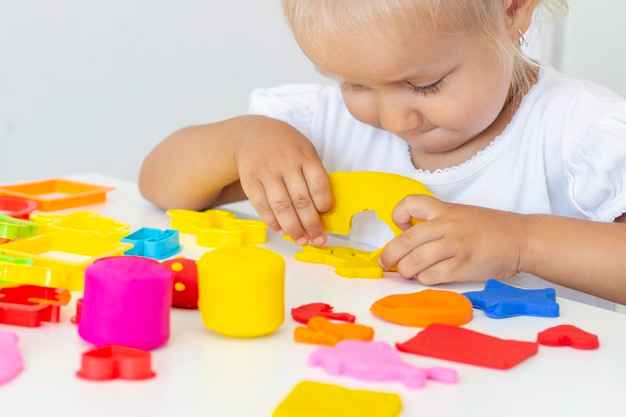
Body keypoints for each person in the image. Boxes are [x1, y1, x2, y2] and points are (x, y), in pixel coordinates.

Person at [139, 0, 626, 307]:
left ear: (512, 10)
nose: (393, 120)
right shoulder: (324, 123)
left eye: (424, 85)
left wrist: (522, 242)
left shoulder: (581, 130)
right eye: (356, 85)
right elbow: (159, 185)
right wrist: (242, 140)